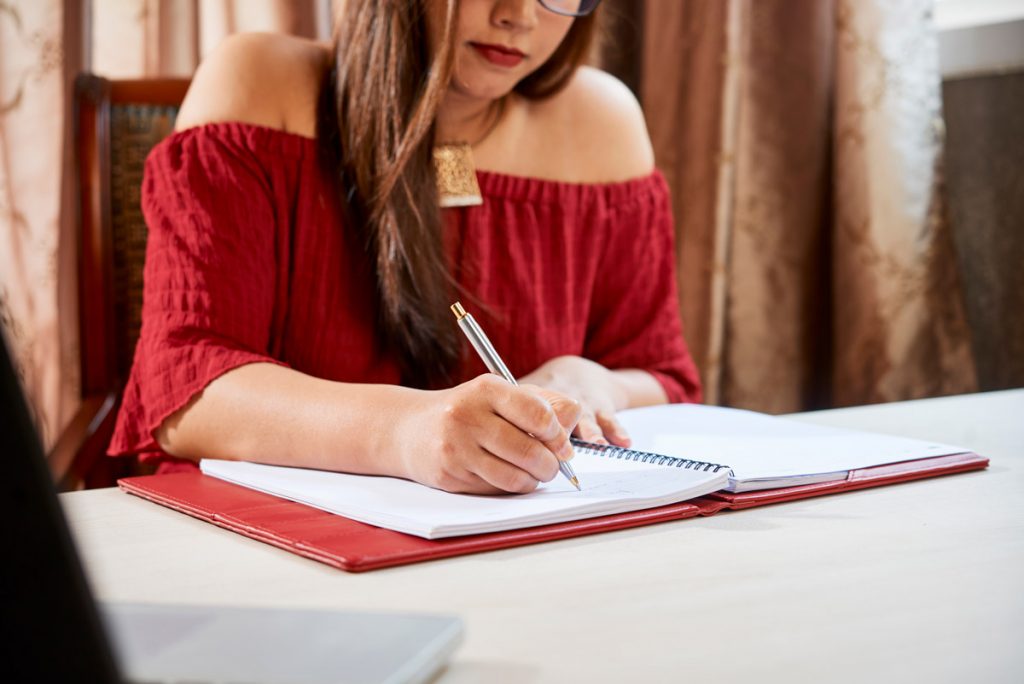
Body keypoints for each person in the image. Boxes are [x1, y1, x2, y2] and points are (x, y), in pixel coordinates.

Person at [109, 0, 701, 495]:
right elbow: (185, 391)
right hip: (266, 540)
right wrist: (406, 430)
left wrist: (596, 381)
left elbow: (664, 376)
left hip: (512, 550)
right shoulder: (259, 81)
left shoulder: (604, 123)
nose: (518, 14)